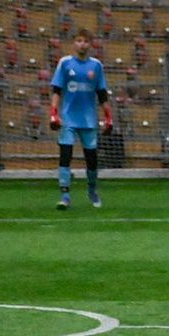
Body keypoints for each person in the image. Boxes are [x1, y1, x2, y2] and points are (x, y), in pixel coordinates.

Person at [49, 28, 112, 210]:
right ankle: (65, 196)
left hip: (88, 120)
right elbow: (57, 90)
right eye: (78, 40)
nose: (82, 44)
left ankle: (92, 190)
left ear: (90, 44)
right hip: (68, 119)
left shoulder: (96, 66)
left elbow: (102, 94)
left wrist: (108, 117)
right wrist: (54, 113)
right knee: (65, 155)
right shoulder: (65, 63)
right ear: (74, 43)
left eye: (85, 41)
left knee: (91, 159)